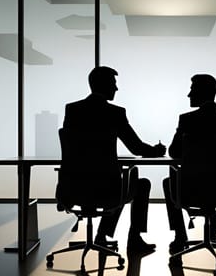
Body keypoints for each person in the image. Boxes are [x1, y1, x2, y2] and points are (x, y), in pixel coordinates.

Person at [63, 66, 165, 252]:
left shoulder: (72, 110)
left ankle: (102, 236)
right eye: (114, 84)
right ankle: (133, 239)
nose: (116, 89)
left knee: (118, 182)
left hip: (74, 187)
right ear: (104, 85)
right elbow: (136, 147)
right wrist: (157, 151)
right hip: (106, 190)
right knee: (139, 184)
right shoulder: (115, 113)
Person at [163, 74, 216, 253]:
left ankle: (180, 236)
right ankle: (211, 228)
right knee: (214, 177)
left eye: (192, 90)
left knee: (169, 181)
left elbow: (174, 152)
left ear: (201, 92)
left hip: (193, 191)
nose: (188, 95)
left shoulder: (187, 119)